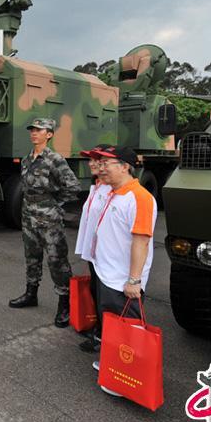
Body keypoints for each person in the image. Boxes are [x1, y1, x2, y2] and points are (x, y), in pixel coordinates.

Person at [86, 146, 157, 395]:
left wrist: (134, 280)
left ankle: (127, 379)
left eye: (107, 163)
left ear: (125, 166)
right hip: (107, 272)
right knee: (112, 324)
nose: (101, 168)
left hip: (123, 279)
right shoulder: (115, 193)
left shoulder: (140, 197)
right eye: (100, 163)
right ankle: (113, 366)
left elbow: (141, 241)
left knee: (128, 328)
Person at [8, 118, 81, 328]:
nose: (33, 133)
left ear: (49, 134)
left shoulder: (54, 159)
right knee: (31, 256)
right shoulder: (26, 160)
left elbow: (73, 186)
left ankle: (64, 304)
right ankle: (31, 294)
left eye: (38, 130)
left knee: (57, 261)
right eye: (32, 129)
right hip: (28, 215)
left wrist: (55, 204)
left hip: (48, 218)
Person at [73, 145, 113, 353]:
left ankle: (102, 336)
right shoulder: (97, 186)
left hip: (105, 256)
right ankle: (99, 330)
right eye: (91, 160)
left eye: (96, 160)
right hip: (95, 253)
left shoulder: (112, 191)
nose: (91, 164)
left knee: (105, 297)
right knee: (96, 291)